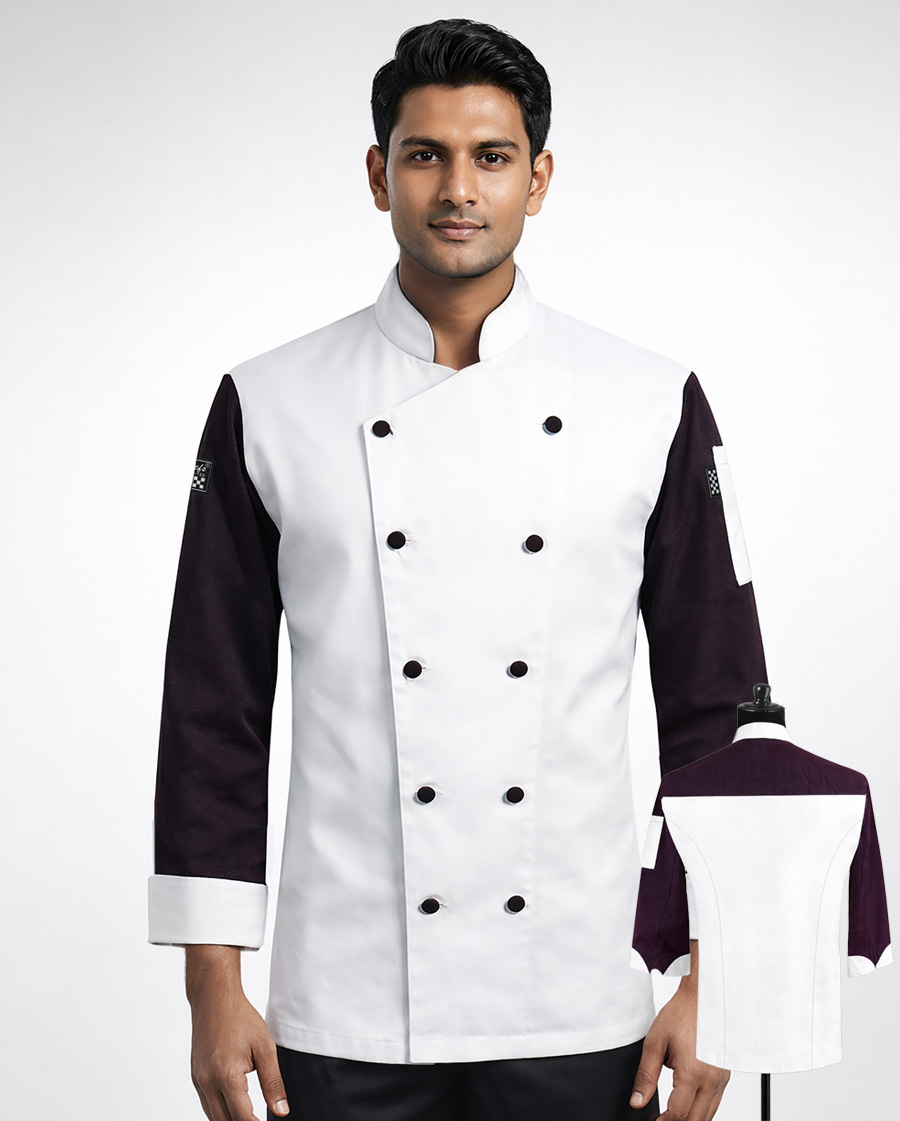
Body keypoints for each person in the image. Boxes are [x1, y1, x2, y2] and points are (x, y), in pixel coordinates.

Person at [148, 17, 767, 1121]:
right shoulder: (270, 401)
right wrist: (212, 981)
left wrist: (720, 973)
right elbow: (213, 707)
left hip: (582, 989)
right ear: (378, 173)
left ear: (540, 179)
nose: (458, 189)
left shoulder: (648, 400)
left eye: (492, 156)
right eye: (425, 154)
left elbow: (715, 704)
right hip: (343, 1000)